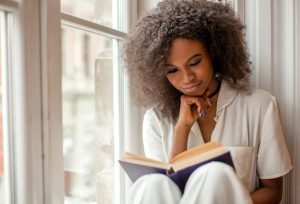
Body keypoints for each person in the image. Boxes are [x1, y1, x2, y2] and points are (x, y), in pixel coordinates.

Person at [122, 0, 292, 203]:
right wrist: (182, 129)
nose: (187, 78)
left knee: (214, 174)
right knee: (151, 183)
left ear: (213, 53)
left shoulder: (260, 106)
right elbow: (167, 192)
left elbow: (273, 191)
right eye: (172, 70)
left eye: (195, 62)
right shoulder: (156, 118)